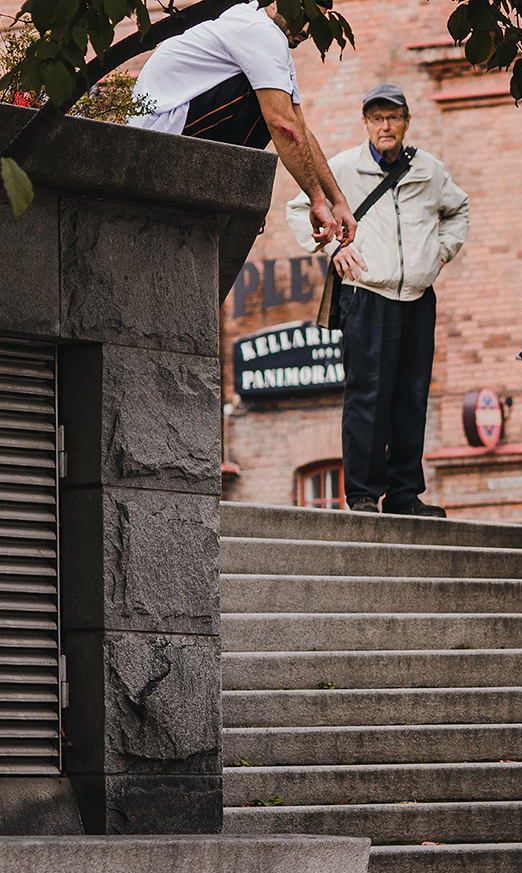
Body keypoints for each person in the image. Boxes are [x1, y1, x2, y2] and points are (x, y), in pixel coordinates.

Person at [287, 83, 470, 516]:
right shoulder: (345, 168)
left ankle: (405, 494)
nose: (385, 125)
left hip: (418, 298)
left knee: (411, 396)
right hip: (366, 296)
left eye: (393, 117)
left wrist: (438, 254)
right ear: (366, 123)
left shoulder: (429, 170)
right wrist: (334, 249)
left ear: (406, 121)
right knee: (368, 396)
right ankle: (364, 495)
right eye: (376, 118)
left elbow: (458, 209)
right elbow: (300, 209)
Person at [127, 0, 354, 249]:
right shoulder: (259, 29)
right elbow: (282, 125)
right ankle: (225, 191)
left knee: (277, 107)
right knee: (270, 107)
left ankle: (224, 191)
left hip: (177, 131)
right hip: (155, 142)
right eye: (304, 15)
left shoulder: (270, 42)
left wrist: (337, 199)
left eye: (316, 21)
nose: (307, 29)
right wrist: (316, 200)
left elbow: (299, 128)